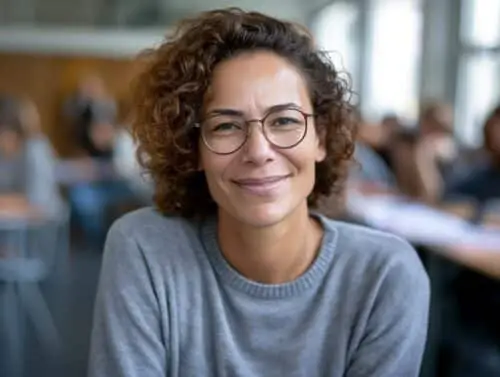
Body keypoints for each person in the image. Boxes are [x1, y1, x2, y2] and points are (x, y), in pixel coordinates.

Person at [88, 9, 430, 377]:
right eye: (226, 126)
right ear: (194, 150)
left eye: (284, 121)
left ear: (322, 139)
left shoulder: (385, 276)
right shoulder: (145, 249)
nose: (258, 151)